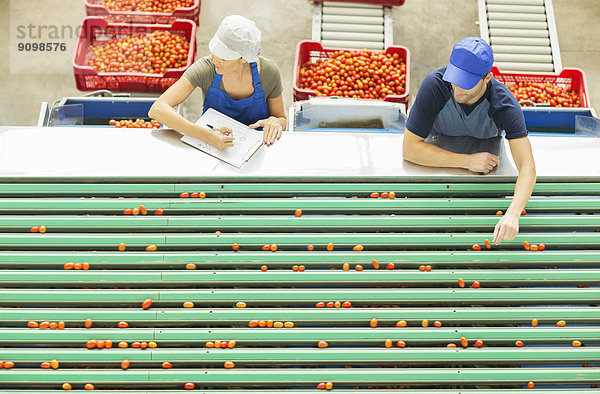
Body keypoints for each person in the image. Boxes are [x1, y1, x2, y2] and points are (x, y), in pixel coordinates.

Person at [402, 37, 536, 243]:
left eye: (467, 83)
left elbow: (527, 167)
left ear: (487, 78)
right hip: (433, 162)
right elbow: (410, 150)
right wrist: (466, 161)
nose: (458, 89)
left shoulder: (504, 105)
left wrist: (513, 214)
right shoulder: (435, 86)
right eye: (455, 79)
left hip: (486, 173)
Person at [149, 15, 286, 150]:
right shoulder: (207, 68)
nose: (215, 61)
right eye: (215, 52)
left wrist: (275, 122)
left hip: (257, 148)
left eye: (224, 58)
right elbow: (157, 109)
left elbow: (281, 119)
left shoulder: (268, 73)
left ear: (244, 59)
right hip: (210, 147)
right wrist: (207, 136)